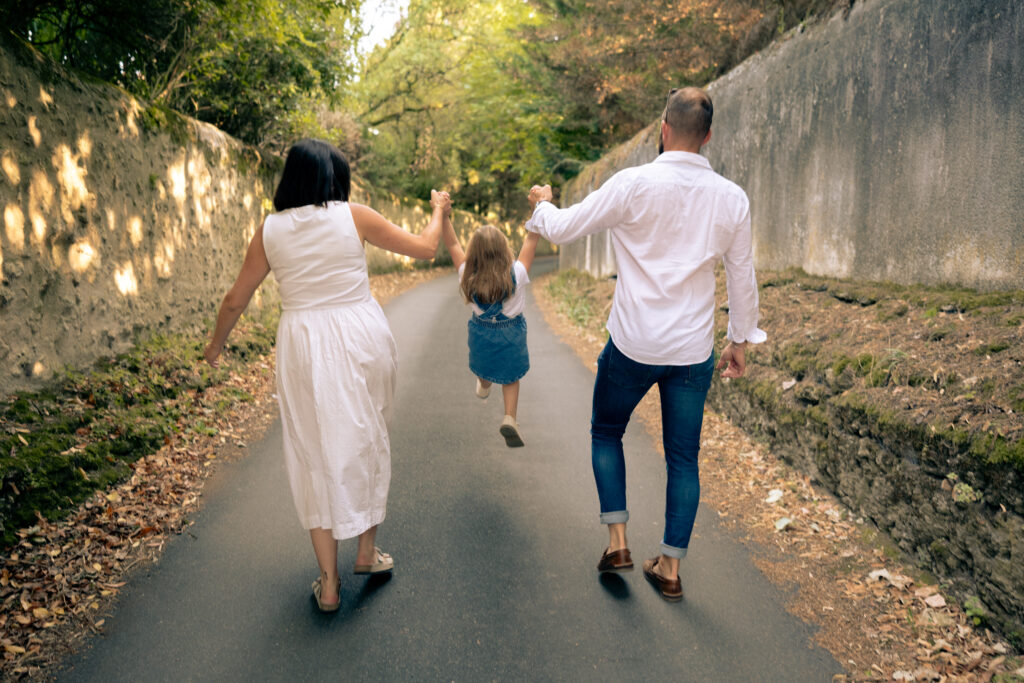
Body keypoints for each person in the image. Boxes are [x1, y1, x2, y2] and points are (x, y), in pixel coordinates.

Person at [524, 87, 765, 602]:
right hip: (692, 352)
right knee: (684, 457)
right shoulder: (731, 198)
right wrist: (739, 340)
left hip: (633, 344)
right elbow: (741, 275)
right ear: (708, 136)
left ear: (662, 128)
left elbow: (565, 230)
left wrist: (543, 207)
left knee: (606, 431)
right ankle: (671, 568)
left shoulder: (633, 183)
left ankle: (618, 543)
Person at [204, 138, 451, 612]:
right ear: (334, 180)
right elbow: (424, 248)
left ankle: (329, 583)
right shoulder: (353, 215)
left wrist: (216, 345)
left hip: (302, 343)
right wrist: (438, 210)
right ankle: (365, 552)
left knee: (311, 450)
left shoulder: (269, 230)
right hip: (360, 334)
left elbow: (236, 298)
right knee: (368, 435)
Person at [441, 213, 540, 448]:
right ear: (504, 249)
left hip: (482, 334)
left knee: (484, 367)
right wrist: (538, 211)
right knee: (511, 378)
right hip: (511, 334)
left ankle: (484, 384)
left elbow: (452, 243)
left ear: (473, 253)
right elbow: (531, 241)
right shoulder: (517, 273)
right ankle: (510, 418)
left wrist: (445, 216)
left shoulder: (466, 273)